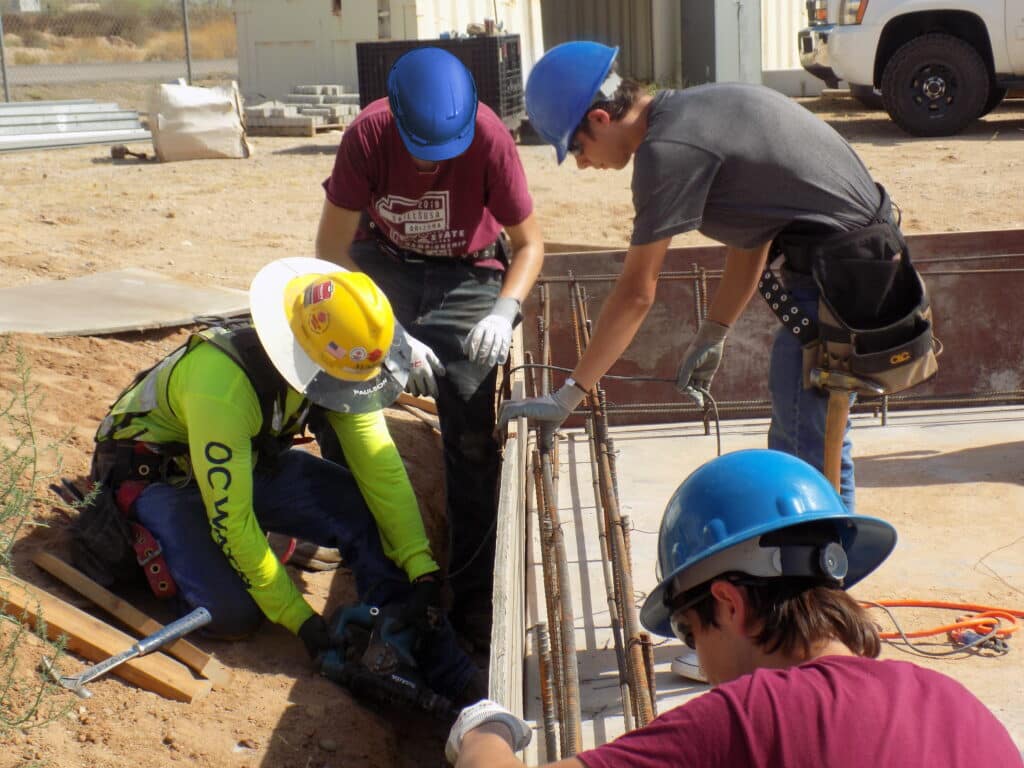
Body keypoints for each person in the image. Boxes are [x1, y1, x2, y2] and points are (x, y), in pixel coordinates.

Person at [498, 41, 936, 516]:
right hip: (862, 262)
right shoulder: (701, 106)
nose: (582, 164)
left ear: (601, 120)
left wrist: (570, 395)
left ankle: (828, 577)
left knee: (811, 455)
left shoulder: (664, 153)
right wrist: (715, 331)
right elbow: (753, 238)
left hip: (842, 276)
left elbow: (637, 293)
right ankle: (811, 569)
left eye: (577, 148)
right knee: (798, 435)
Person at [443, 449, 1023, 767]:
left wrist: (483, 731)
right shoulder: (957, 705)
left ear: (728, 603)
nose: (704, 664)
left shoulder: (750, 717)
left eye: (691, 635)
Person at [71, 257, 481, 703]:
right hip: (159, 478)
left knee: (358, 506)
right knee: (234, 615)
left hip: (239, 461)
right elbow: (232, 520)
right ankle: (167, 545)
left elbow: (380, 471)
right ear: (305, 358)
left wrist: (421, 574)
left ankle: (397, 629)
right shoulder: (222, 384)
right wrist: (303, 621)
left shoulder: (335, 357)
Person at [315, 46, 545, 648]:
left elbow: (529, 246)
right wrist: (388, 331)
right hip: (381, 267)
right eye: (421, 151)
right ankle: (371, 565)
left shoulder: (490, 139)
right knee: (337, 391)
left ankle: (471, 595)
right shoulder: (367, 136)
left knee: (471, 428)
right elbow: (331, 251)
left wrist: (503, 308)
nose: (430, 165)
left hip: (468, 276)